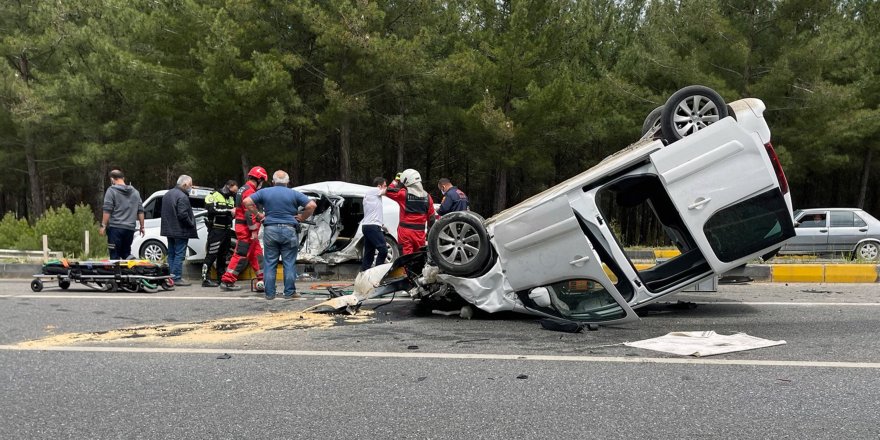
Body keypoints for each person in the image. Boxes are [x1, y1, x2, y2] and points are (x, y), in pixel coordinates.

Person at [243, 170, 316, 300]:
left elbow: (247, 201)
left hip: (271, 229)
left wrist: (259, 215)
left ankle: (269, 294)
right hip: (289, 230)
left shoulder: (265, 192)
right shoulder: (294, 193)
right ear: (287, 182)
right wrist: (301, 217)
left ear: (273, 182)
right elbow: (311, 205)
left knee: (270, 262)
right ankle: (289, 292)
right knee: (289, 262)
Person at [220, 166, 268, 291]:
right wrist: (253, 230)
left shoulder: (243, 188)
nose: (262, 184)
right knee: (241, 255)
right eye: (262, 181)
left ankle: (263, 279)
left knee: (256, 255)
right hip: (246, 230)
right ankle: (227, 280)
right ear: (259, 179)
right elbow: (249, 213)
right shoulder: (249, 191)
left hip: (245, 228)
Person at [385, 169, 436, 255]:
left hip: (405, 232)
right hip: (420, 234)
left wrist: (396, 180)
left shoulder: (403, 194)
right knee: (418, 257)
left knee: (406, 258)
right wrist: (429, 233)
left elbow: (389, 191)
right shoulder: (428, 197)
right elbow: (431, 218)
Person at [160, 175, 197, 286]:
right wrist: (191, 224)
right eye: (190, 185)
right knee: (179, 254)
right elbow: (183, 215)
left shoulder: (167, 194)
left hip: (168, 229)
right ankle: (176, 278)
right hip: (180, 230)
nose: (191, 187)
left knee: (171, 253)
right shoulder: (183, 196)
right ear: (185, 184)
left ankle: (170, 277)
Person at [99, 169, 145, 259]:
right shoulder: (135, 192)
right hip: (130, 229)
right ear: (123, 178)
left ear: (112, 179)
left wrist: (103, 225)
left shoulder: (111, 191)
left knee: (114, 254)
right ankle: (129, 267)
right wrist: (142, 226)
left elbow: (107, 210)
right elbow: (140, 211)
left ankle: (116, 272)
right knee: (126, 253)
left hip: (116, 228)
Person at [201, 180, 239, 287]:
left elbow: (234, 212)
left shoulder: (232, 198)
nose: (233, 193)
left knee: (223, 255)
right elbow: (211, 210)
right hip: (216, 230)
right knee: (211, 255)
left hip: (227, 230)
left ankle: (221, 278)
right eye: (233, 191)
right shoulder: (213, 195)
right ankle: (205, 279)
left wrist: (234, 213)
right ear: (228, 186)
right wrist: (229, 211)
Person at [360, 177, 388, 271]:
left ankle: (364, 273)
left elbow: (374, 212)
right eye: (384, 185)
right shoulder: (374, 191)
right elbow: (387, 191)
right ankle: (378, 272)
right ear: (379, 186)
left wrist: (382, 225)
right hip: (372, 227)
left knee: (369, 253)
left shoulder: (373, 196)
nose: (386, 187)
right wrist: (396, 182)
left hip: (369, 226)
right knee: (383, 250)